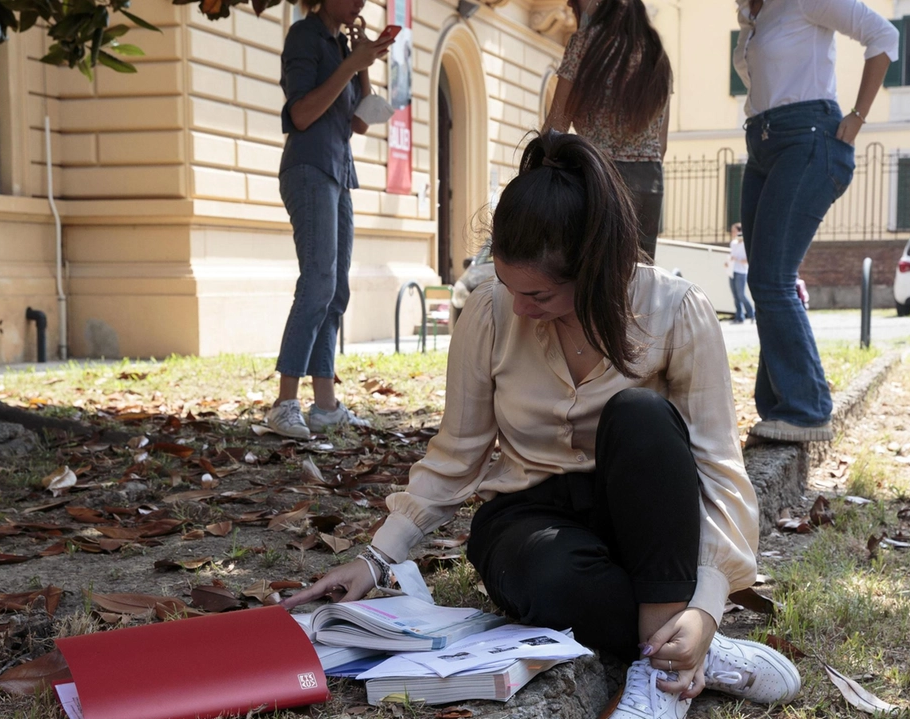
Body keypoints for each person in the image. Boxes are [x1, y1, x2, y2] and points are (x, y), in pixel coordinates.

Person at [283, 132, 801, 718]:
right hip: (532, 515)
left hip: (647, 521)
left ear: (596, 272)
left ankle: (668, 672)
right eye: (508, 285)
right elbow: (458, 452)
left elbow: (716, 466)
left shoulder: (674, 309)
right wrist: (376, 558)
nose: (519, 307)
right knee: (548, 580)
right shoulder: (489, 309)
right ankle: (686, 648)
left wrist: (707, 603)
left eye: (540, 294)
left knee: (640, 415)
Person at [733, 0, 897, 442]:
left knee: (772, 279)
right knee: (762, 280)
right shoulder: (752, 16)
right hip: (762, 146)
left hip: (807, 138)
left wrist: (858, 116)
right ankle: (779, 408)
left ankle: (807, 410)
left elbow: (883, 36)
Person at [266, 0, 393, 439]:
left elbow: (361, 122)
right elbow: (301, 113)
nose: (361, 3)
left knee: (336, 290)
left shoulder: (341, 45)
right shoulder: (305, 36)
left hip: (339, 171)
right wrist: (349, 63)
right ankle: (284, 403)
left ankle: (325, 406)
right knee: (318, 282)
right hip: (309, 168)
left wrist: (363, 63)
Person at [542, 0, 672, 260]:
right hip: (649, 182)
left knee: (593, 278)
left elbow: (555, 128)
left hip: (597, 176)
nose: (569, 3)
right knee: (638, 281)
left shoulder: (584, 43)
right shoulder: (657, 54)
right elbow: (661, 144)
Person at [726, 223, 754, 323]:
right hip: (732, 271)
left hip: (741, 272)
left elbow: (747, 260)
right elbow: (731, 256)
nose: (733, 233)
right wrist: (728, 262)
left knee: (741, 295)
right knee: (735, 296)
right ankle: (739, 316)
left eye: (734, 231)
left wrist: (737, 259)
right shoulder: (733, 243)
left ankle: (752, 314)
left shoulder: (745, 244)